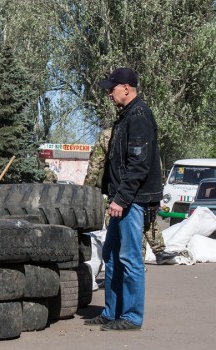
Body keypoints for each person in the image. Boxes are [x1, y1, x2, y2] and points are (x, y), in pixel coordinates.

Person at [84, 67, 162, 331]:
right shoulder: (126, 116)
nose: (109, 93)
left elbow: (139, 164)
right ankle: (112, 312)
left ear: (126, 88)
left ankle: (131, 316)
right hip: (122, 198)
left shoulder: (138, 116)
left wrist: (122, 198)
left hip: (132, 201)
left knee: (129, 258)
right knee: (112, 255)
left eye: (112, 88)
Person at [84, 128, 170, 264]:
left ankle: (139, 260)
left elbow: (94, 166)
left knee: (130, 227)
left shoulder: (108, 134)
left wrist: (86, 193)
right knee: (139, 224)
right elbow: (154, 166)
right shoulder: (142, 132)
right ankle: (141, 260)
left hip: (119, 191)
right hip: (138, 190)